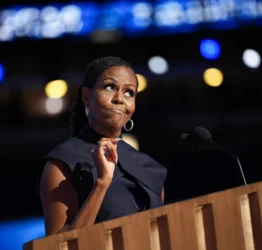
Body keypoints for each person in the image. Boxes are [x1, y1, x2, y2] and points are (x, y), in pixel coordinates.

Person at [39, 57, 167, 236]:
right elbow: (57, 246)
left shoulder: (150, 168)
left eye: (129, 92)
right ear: (86, 97)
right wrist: (101, 183)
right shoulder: (62, 163)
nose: (119, 99)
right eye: (109, 87)